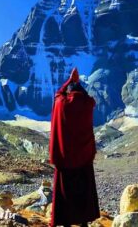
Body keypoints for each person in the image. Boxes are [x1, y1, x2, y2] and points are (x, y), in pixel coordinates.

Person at [49, 68, 100, 227]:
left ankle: (66, 222)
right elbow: (91, 99)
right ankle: (84, 222)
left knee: (65, 192)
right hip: (83, 158)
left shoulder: (60, 103)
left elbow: (58, 93)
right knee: (84, 191)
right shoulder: (86, 104)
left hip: (64, 159)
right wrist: (78, 84)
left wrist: (69, 81)